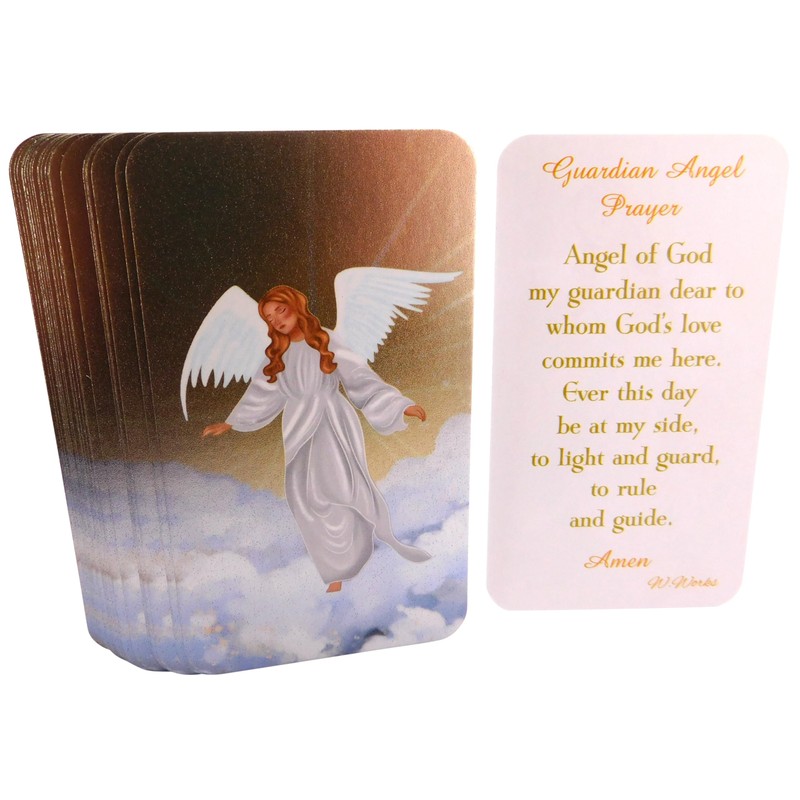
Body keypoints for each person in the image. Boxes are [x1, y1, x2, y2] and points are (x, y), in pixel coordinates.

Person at [202, 285, 429, 592]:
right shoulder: (276, 353)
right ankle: (334, 567)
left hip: (332, 421)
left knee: (341, 488)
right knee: (302, 497)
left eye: (280, 311)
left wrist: (399, 406)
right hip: (297, 426)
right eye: (269, 318)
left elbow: (360, 378)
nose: (277, 320)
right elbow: (263, 392)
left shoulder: (326, 339)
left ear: (296, 306)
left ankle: (354, 555)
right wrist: (232, 422)